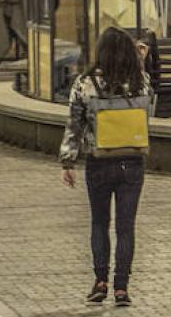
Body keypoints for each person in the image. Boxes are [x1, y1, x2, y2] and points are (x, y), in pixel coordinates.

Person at [59, 27, 154, 307]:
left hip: (98, 162)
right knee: (126, 228)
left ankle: (100, 281)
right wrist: (140, 64)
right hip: (132, 162)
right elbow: (149, 113)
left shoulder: (84, 84)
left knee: (100, 222)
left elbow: (74, 125)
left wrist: (68, 161)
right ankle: (121, 288)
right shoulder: (141, 81)